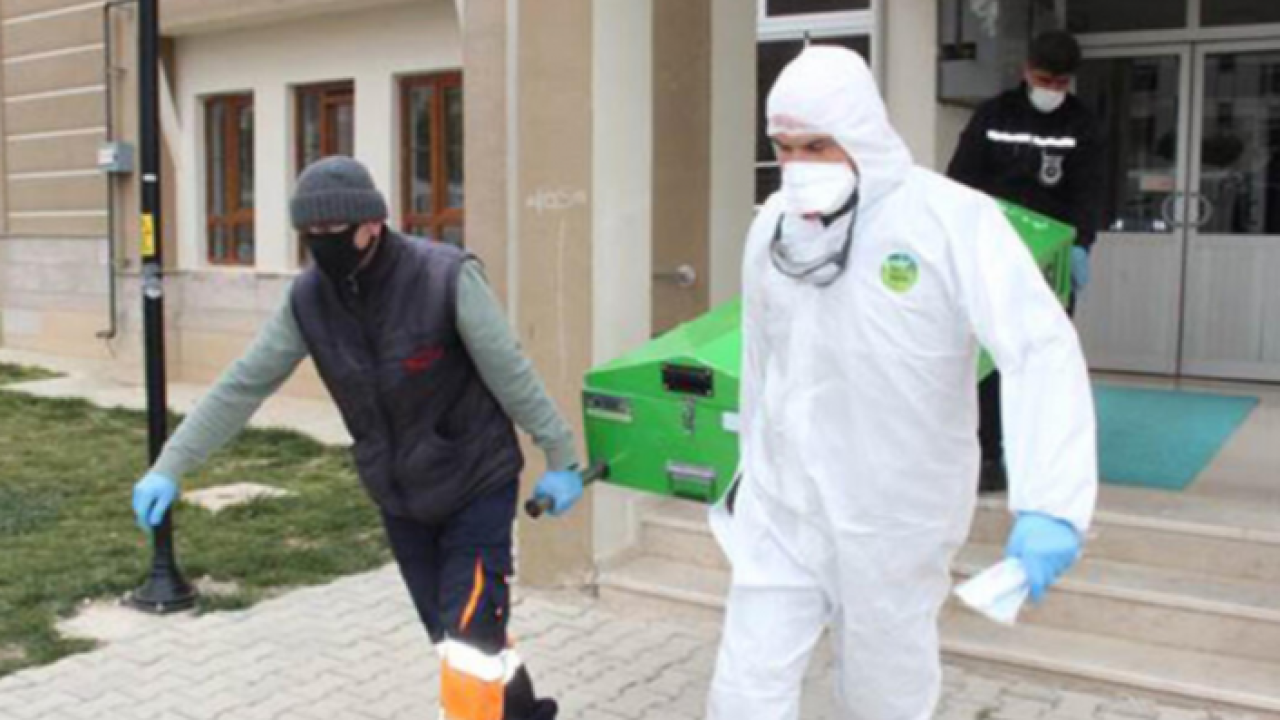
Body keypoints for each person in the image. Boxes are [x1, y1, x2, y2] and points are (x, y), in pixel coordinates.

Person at [705, 47, 1097, 720]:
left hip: (892, 517)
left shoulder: (950, 220)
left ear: (860, 132)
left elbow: (1039, 349)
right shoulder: (773, 227)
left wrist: (1050, 502)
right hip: (785, 504)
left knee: (883, 695)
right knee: (744, 690)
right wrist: (747, 469)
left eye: (816, 146)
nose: (798, 165)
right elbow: (764, 358)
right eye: (783, 147)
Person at [131, 156, 582, 720]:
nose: (321, 241)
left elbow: (509, 370)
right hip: (399, 494)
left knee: (468, 637)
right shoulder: (308, 302)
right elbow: (243, 385)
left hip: (475, 482)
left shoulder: (444, 278)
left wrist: (561, 455)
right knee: (456, 637)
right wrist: (170, 465)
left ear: (372, 222)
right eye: (309, 231)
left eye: (332, 228)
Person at [947, 30, 1106, 493]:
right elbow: (960, 183)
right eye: (1044, 79)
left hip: (1051, 262)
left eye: (1060, 83)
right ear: (1026, 70)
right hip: (992, 256)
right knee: (988, 362)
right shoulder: (993, 116)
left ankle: (1038, 462)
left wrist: (1082, 244)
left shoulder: (1083, 126)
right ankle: (987, 456)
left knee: (1043, 360)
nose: (1051, 90)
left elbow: (1090, 192)